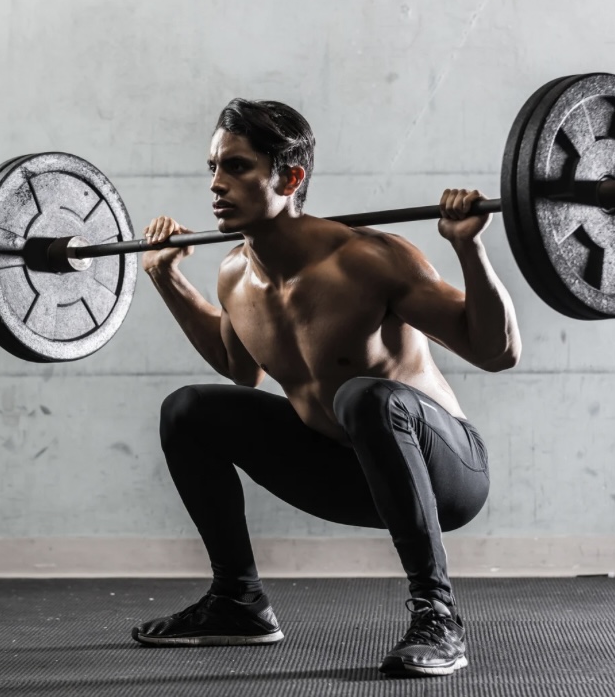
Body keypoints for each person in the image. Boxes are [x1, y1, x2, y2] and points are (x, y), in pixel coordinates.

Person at [130, 98, 521, 678]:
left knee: (364, 396)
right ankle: (238, 602)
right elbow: (242, 370)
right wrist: (167, 278)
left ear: (289, 177)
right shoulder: (236, 274)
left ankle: (438, 616)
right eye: (213, 166)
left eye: (237, 167)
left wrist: (470, 247)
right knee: (188, 411)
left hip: (445, 477)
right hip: (347, 474)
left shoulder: (369, 259)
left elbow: (497, 352)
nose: (216, 184)